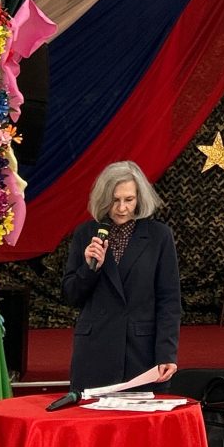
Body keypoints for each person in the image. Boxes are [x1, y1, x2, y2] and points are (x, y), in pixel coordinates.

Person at [62, 160, 181, 396]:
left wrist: (167, 353)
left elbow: (169, 301)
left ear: (139, 199)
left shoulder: (159, 236)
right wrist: (89, 269)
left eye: (129, 199)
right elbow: (70, 295)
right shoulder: (85, 233)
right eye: (115, 200)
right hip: (95, 351)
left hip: (140, 353)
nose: (122, 208)